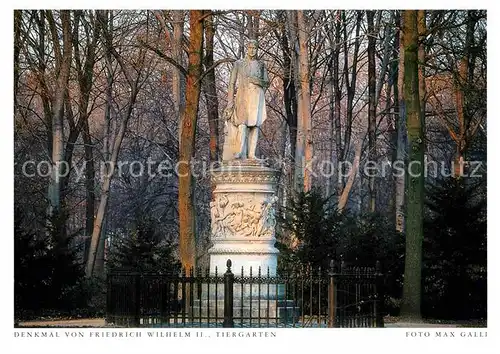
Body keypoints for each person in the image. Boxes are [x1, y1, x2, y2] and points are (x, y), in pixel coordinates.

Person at [223, 40, 270, 160]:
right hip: (242, 97)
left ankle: (252, 154)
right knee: (242, 124)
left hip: (257, 97)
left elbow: (267, 82)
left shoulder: (261, 64)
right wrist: (230, 102)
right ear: (247, 48)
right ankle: (240, 152)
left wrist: (256, 81)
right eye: (250, 47)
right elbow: (231, 83)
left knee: (255, 125)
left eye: (255, 48)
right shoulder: (238, 64)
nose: (252, 50)